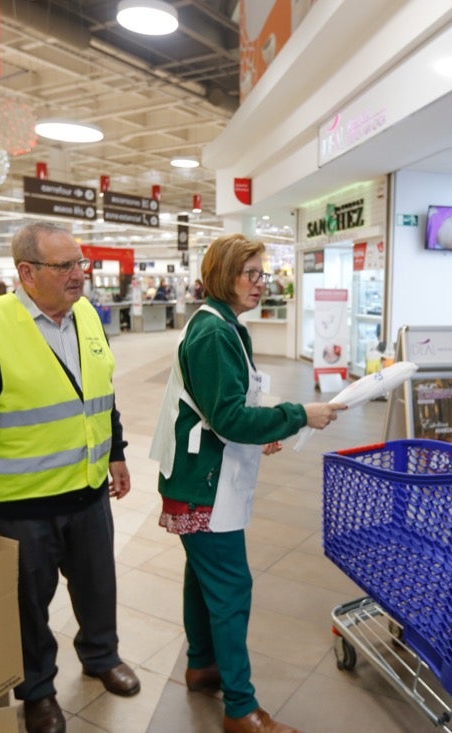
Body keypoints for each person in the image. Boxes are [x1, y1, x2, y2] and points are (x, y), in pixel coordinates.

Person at [0, 222, 138, 733]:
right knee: (28, 606)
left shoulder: (87, 315)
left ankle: (101, 655)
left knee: (97, 586)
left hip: (88, 494)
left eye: (80, 263)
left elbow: (99, 391)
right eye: (64, 265)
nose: (78, 275)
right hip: (22, 505)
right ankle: (39, 690)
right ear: (26, 273)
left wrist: (116, 451)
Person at [149, 233, 346, 733]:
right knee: (232, 588)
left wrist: (264, 428)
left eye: (265, 274)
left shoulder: (220, 323)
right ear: (224, 275)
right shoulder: (215, 333)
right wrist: (299, 415)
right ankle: (240, 708)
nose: (263, 284)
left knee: (203, 578)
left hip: (198, 478)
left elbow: (228, 406)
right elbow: (229, 419)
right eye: (252, 274)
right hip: (204, 485)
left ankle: (202, 665)